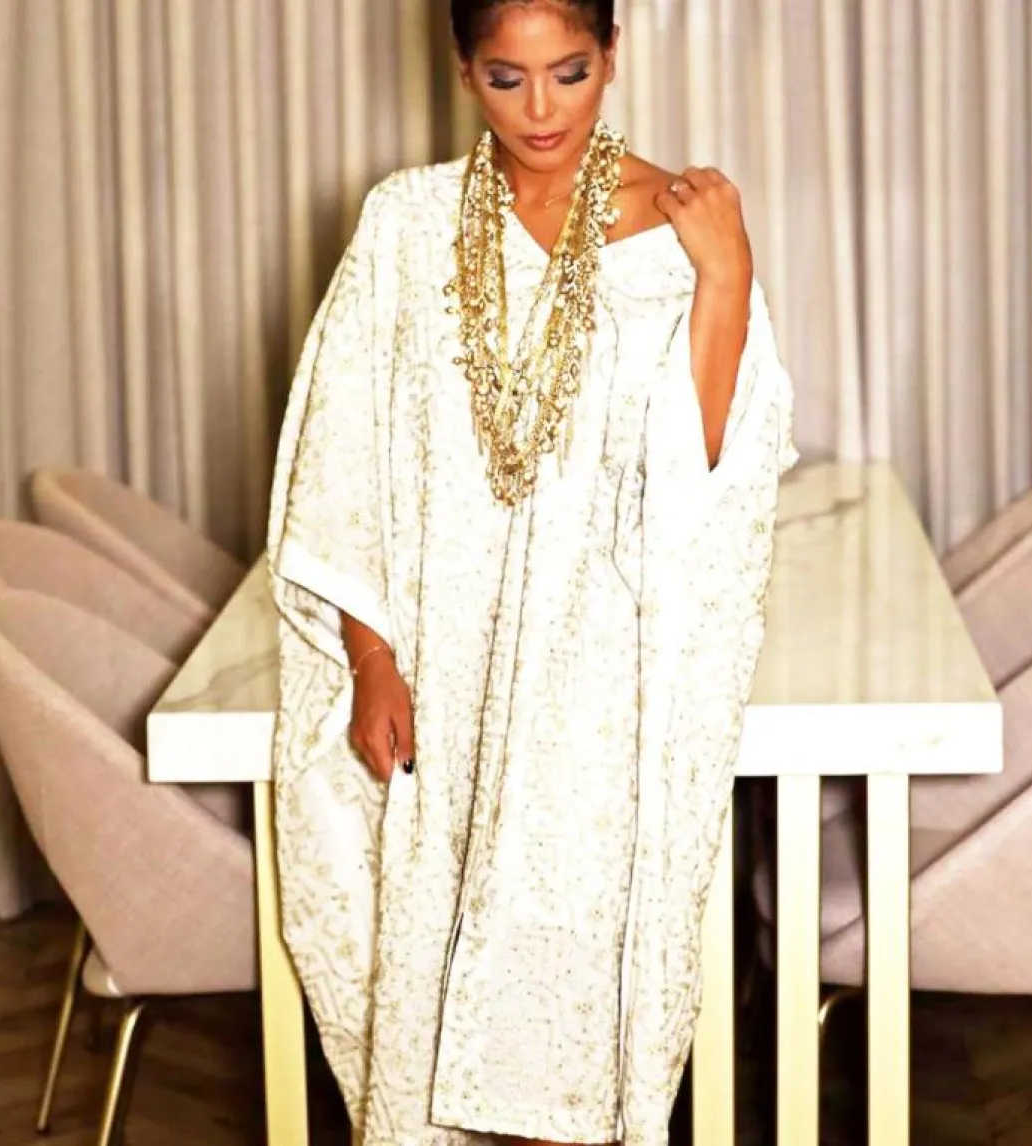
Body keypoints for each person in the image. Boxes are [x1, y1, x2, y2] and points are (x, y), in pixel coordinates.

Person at [266, 1, 797, 1143]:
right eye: (508, 78)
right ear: (464, 69)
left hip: (605, 699)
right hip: (443, 678)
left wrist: (726, 276)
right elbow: (343, 450)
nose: (543, 109)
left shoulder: (683, 224)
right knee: (429, 1018)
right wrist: (371, 656)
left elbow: (710, 472)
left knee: (571, 1053)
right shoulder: (407, 227)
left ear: (613, 56)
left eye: (571, 71)